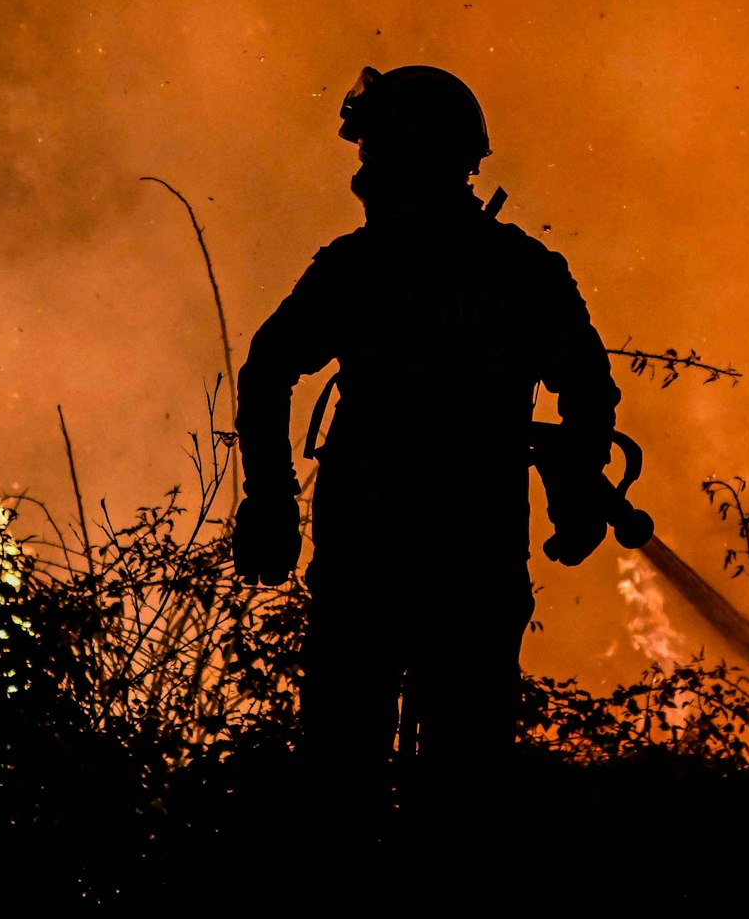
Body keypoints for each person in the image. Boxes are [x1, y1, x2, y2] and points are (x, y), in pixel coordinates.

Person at [232, 64, 621, 812]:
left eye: (372, 153)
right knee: (460, 788)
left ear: (405, 158)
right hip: (465, 562)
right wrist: (574, 486)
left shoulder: (358, 269)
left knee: (344, 783)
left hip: (374, 561)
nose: (363, 172)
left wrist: (273, 502)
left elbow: (268, 370)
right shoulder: (521, 271)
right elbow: (587, 390)